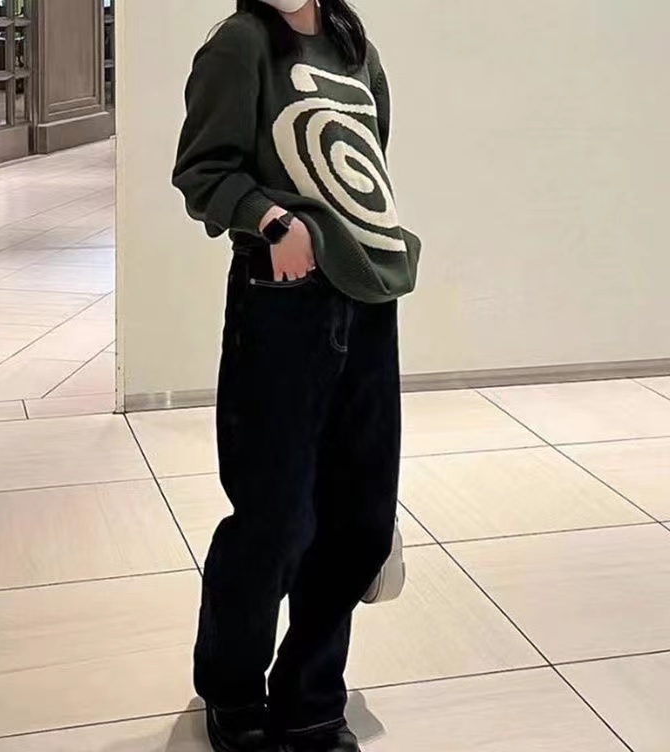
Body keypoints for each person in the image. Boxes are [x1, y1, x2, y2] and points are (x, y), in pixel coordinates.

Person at [173, 1, 421, 750]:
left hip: (368, 300)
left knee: (360, 519)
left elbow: (366, 159)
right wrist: (274, 222)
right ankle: (233, 692)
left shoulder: (353, 46)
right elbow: (202, 172)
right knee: (276, 520)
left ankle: (310, 695)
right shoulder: (240, 44)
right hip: (280, 302)